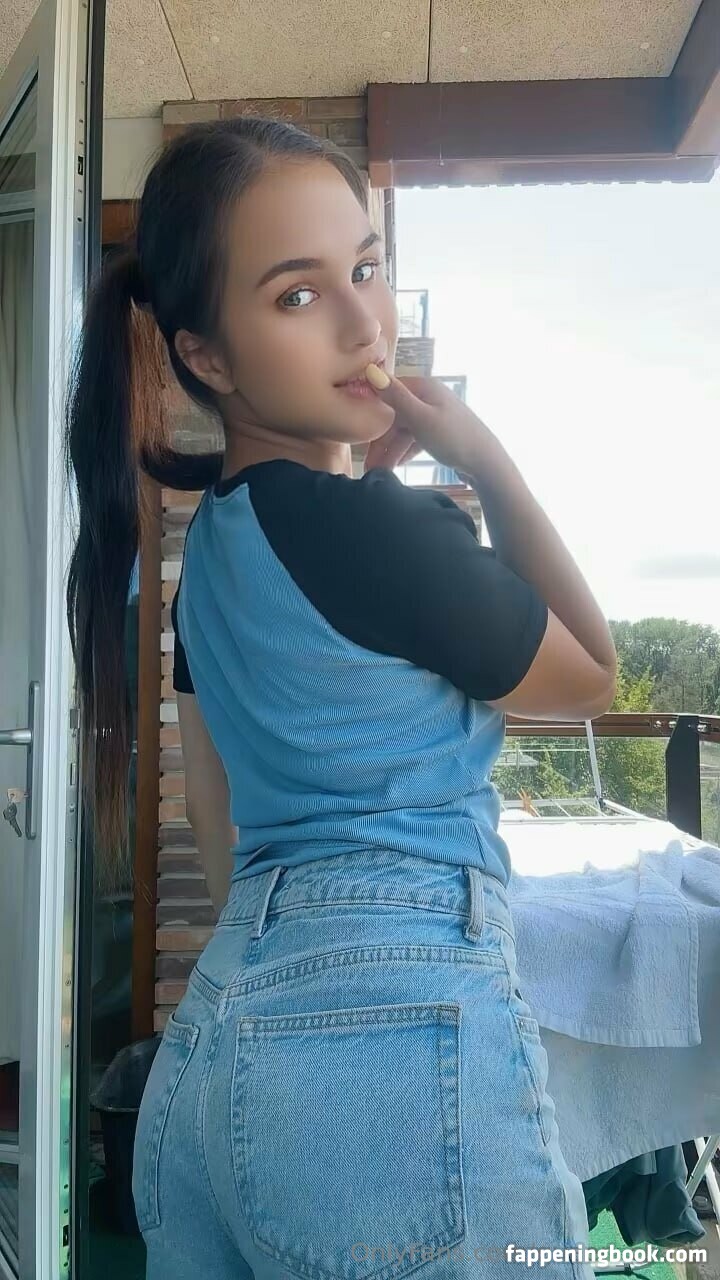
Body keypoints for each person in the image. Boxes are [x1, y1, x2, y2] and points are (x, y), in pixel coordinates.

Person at [65, 116, 617, 1280]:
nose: (366, 324)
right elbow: (590, 674)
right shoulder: (379, 527)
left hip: (218, 1040)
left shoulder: (213, 557)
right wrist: (486, 458)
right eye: (299, 294)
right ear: (209, 358)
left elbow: (218, 830)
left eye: (365, 268)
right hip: (393, 1033)